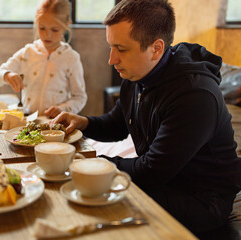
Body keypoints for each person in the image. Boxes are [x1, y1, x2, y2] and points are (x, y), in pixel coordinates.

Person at [52, 0, 241, 237]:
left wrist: (86, 163)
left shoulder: (195, 95)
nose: (112, 59)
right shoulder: (138, 75)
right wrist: (83, 123)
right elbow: (117, 124)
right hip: (166, 181)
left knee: (93, 203)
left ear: (156, 48)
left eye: (121, 49)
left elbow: (151, 171)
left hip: (201, 199)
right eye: (111, 47)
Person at [0, 0, 87, 118]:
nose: (47, 35)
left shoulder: (71, 58)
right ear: (36, 23)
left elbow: (80, 98)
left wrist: (62, 108)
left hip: (56, 125)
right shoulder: (27, 52)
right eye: (42, 28)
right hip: (27, 123)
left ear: (66, 25)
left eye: (54, 30)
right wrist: (6, 75)